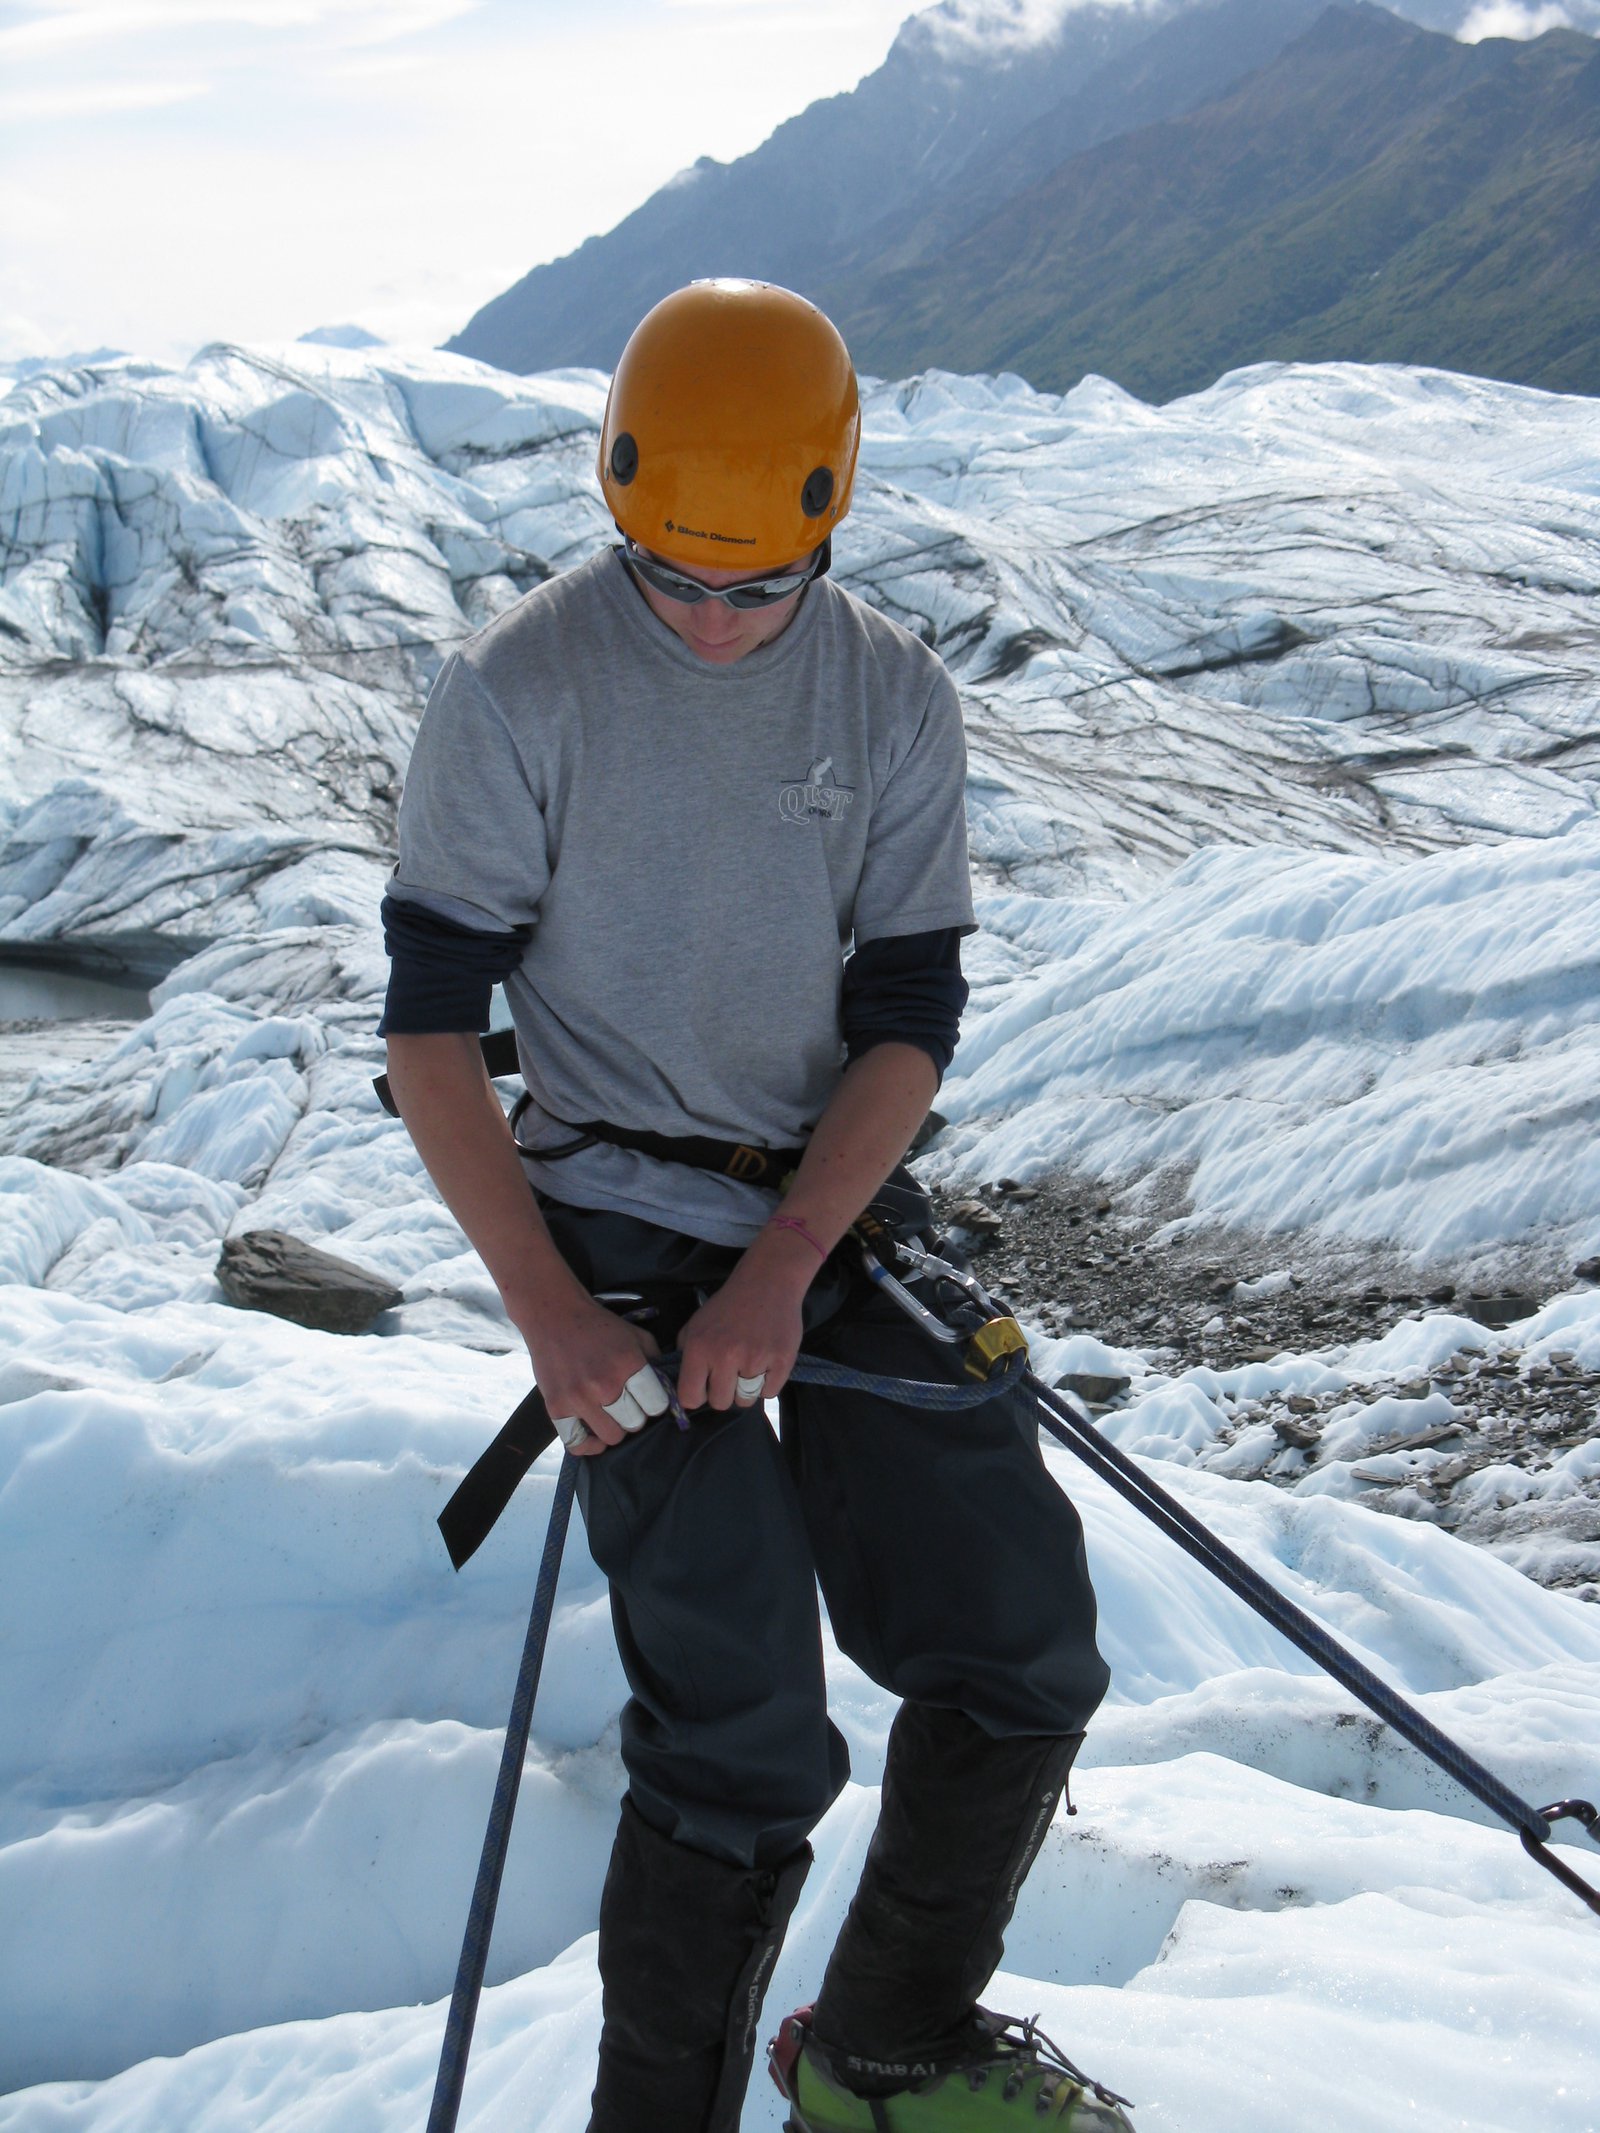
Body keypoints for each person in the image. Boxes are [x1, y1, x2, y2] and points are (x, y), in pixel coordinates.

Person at [381, 279, 1131, 2133]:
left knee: (1023, 1646)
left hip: (830, 1210)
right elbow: (432, 1036)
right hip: (613, 1234)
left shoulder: (887, 693)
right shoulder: (520, 690)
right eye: (672, 576)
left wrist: (790, 1260)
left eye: (753, 586)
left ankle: (881, 2052)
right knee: (743, 1743)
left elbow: (905, 1021)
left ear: (831, 511)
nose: (712, 620)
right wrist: (558, 1318)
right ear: (618, 495)